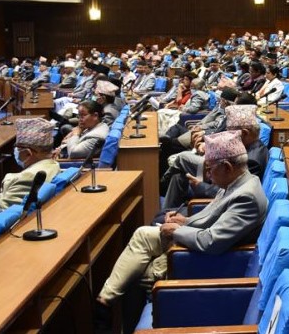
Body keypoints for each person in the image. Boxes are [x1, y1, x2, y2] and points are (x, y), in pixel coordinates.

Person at [97, 130, 267, 306]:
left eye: (210, 169)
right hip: (197, 237)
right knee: (142, 234)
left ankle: (115, 317)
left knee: (138, 275)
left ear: (227, 167)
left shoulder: (246, 197)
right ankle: (106, 297)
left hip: (205, 258)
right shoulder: (236, 182)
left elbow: (212, 241)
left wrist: (178, 231)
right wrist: (184, 221)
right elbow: (211, 216)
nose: (207, 175)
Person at [160, 104, 266, 217]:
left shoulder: (253, 160)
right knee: (178, 179)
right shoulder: (250, 146)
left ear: (245, 133)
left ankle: (163, 216)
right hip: (216, 180)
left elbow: (233, 193)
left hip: (216, 203)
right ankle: (166, 211)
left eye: (230, 133)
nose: (227, 136)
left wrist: (200, 185)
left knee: (182, 162)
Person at [0, 118, 61, 208]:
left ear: (28, 153)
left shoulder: (27, 178)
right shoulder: (54, 165)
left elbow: (1, 212)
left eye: (17, 148)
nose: (15, 151)